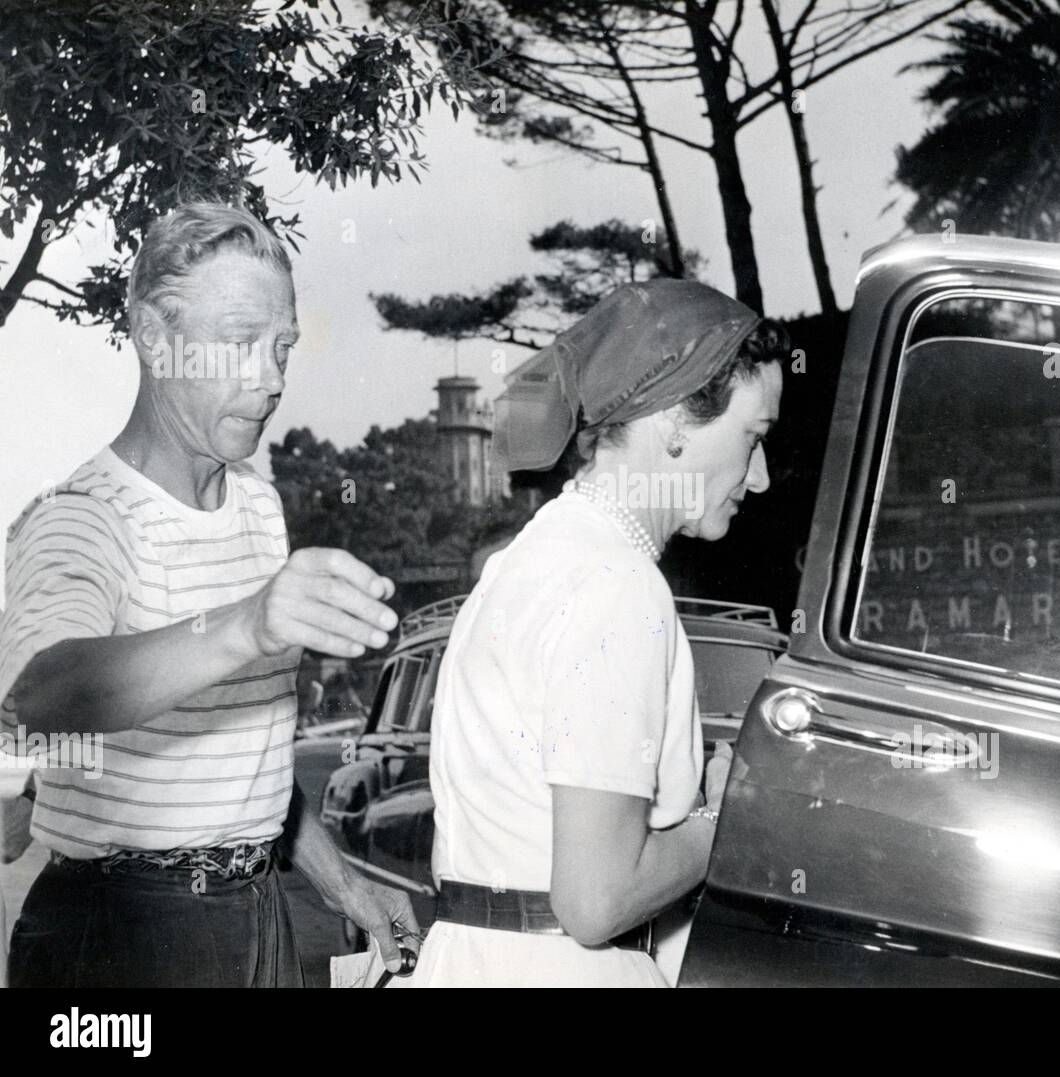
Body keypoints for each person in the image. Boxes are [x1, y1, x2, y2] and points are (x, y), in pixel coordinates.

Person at [0, 202, 416, 987]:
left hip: (256, 916)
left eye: (282, 347)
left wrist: (344, 883)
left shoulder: (259, 505)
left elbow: (240, 766)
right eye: (237, 344)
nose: (270, 378)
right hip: (120, 938)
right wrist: (249, 623)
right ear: (156, 339)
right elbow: (39, 694)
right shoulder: (81, 518)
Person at [411, 279, 785, 987]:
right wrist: (723, 814)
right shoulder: (618, 586)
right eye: (753, 436)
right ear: (675, 418)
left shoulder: (520, 564)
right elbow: (595, 898)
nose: (760, 476)